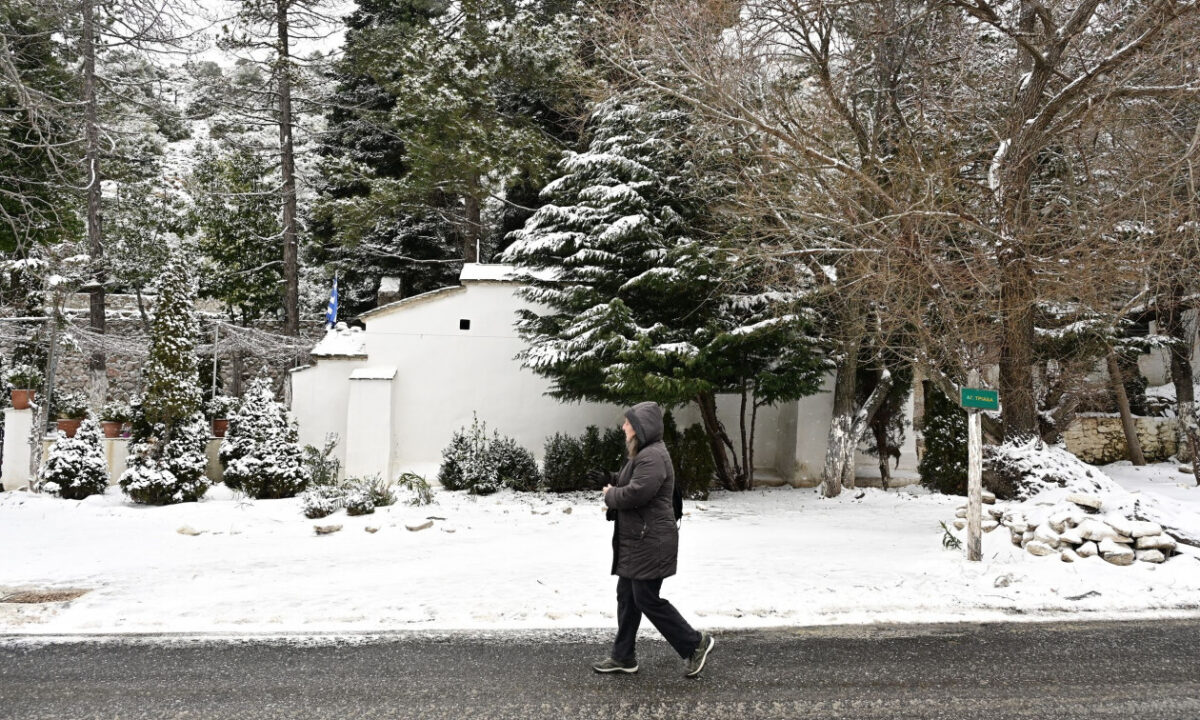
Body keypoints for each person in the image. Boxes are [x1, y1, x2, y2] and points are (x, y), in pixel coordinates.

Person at [589, 401, 715, 678]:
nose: (623, 427)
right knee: (627, 596)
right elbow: (632, 481)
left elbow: (637, 493)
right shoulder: (643, 454)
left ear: (640, 427)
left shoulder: (652, 456)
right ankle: (623, 657)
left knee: (645, 598)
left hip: (651, 541)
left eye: (628, 423)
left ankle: (695, 644)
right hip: (640, 540)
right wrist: (610, 478)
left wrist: (610, 494)